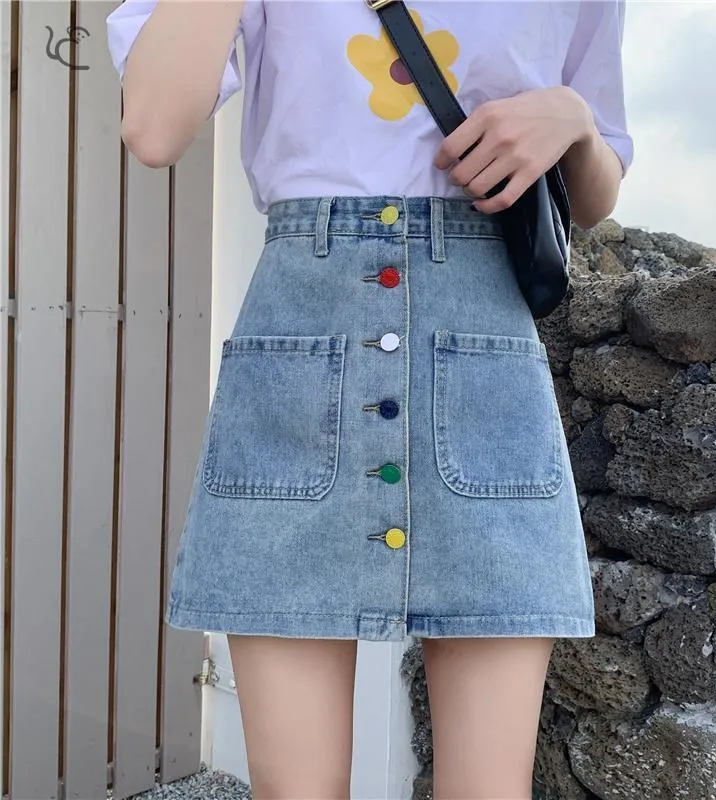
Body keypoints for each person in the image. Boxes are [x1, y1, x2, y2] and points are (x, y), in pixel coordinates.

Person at [106, 2, 633, 798]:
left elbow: (594, 195)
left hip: (482, 370)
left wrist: (572, 118)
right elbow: (152, 126)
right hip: (300, 365)